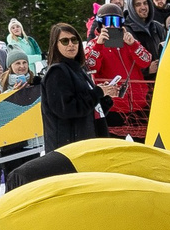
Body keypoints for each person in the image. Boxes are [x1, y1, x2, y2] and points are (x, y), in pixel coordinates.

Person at [39, 23, 115, 152]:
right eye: (64, 41)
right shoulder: (57, 72)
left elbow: (90, 110)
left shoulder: (79, 69)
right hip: (69, 149)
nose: (71, 44)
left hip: (87, 143)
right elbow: (67, 109)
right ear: (55, 45)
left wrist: (105, 97)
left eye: (74, 40)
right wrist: (97, 93)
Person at [88, 13, 155, 141]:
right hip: (113, 107)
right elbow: (90, 66)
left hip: (138, 104)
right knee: (116, 149)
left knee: (145, 146)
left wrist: (133, 44)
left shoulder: (128, 41)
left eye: (117, 21)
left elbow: (146, 61)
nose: (112, 25)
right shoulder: (93, 44)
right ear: (100, 24)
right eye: (108, 21)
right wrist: (99, 44)